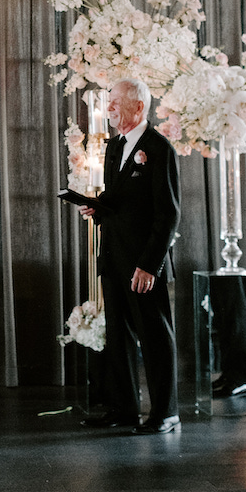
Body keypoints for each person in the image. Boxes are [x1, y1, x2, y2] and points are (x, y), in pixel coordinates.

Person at [80, 78, 181, 435]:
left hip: (143, 264)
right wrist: (98, 207)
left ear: (139, 107)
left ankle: (166, 412)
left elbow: (168, 214)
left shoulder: (158, 149)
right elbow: (120, 199)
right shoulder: (114, 147)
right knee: (118, 337)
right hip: (114, 257)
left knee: (154, 337)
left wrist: (149, 265)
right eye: (109, 101)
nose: (109, 108)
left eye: (115, 102)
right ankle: (124, 409)